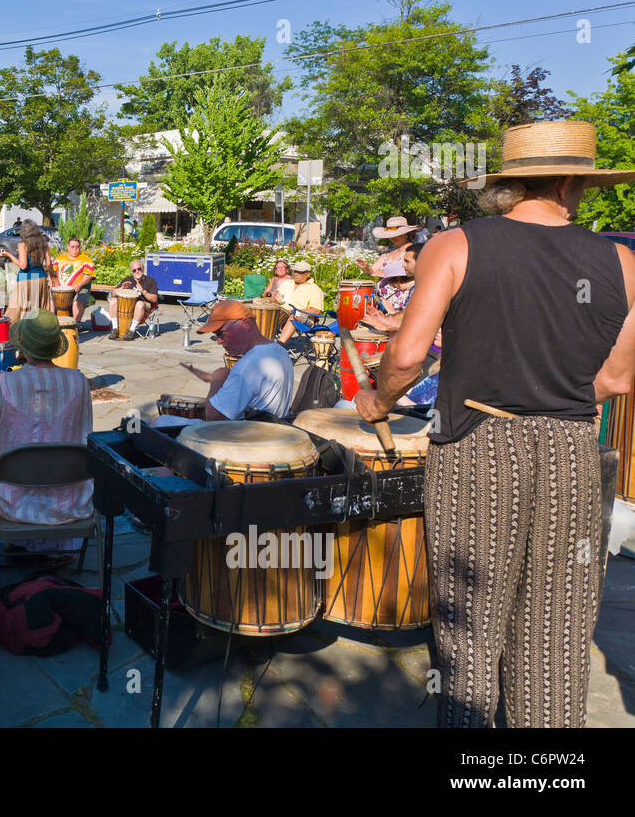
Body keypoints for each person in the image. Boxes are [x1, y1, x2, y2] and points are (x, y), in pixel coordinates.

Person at [355, 120, 635, 728]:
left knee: (472, 628)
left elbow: (405, 357)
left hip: (479, 445)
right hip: (572, 449)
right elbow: (616, 381)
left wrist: (377, 401)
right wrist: (548, 394)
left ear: (511, 184)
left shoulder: (456, 245)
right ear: (570, 182)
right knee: (556, 632)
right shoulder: (621, 261)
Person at [0, 310, 92, 551]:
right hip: (69, 501)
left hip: (14, 503)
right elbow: (85, 435)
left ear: (23, 348)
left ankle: (18, 544)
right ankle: (59, 547)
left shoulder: (6, 383)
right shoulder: (78, 381)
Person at [167, 299, 295, 425]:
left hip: (245, 440)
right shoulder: (279, 351)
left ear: (245, 324)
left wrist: (217, 381)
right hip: (272, 434)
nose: (218, 341)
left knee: (160, 422)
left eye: (220, 333)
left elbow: (214, 417)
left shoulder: (249, 365)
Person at [0, 219, 53, 322]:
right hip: (41, 278)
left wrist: (9, 255)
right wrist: (52, 277)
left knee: (18, 311)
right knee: (38, 310)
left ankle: (17, 333)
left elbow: (23, 266)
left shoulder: (22, 244)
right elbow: (49, 263)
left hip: (25, 279)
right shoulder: (44, 243)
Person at [275, 260, 327, 345]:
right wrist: (273, 297)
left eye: (299, 272)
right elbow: (274, 300)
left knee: (294, 316)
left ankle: (279, 345)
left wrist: (295, 311)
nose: (296, 274)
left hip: (303, 318)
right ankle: (259, 343)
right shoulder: (287, 283)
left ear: (308, 274)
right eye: (295, 271)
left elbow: (316, 310)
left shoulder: (314, 289)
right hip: (281, 314)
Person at [106, 259, 158, 341]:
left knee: (139, 304)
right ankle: (115, 329)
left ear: (143, 268)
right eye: (134, 270)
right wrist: (122, 288)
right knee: (113, 301)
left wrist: (143, 292)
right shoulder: (128, 280)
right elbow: (114, 293)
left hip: (144, 306)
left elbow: (154, 299)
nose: (137, 271)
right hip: (126, 306)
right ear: (131, 271)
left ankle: (131, 331)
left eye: (139, 269)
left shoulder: (150, 281)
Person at [53, 237, 97, 325]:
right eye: (72, 246)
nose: (75, 249)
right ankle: (53, 323)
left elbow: (88, 276)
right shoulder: (59, 258)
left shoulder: (85, 259)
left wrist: (79, 284)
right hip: (61, 288)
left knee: (78, 301)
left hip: (80, 287)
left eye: (77, 246)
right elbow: (52, 273)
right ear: (68, 247)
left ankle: (75, 324)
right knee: (50, 300)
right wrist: (54, 282)